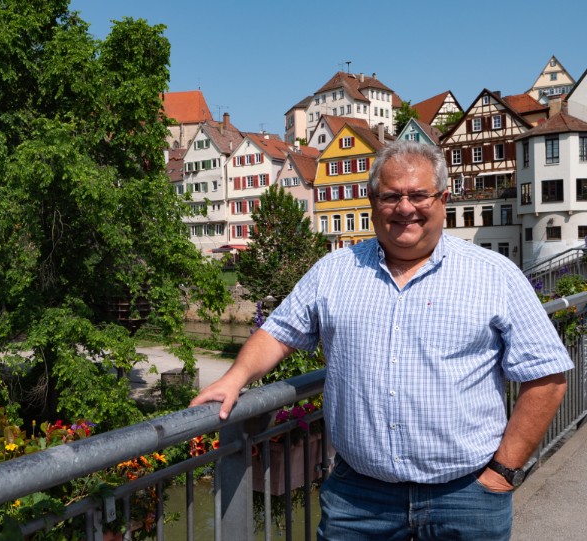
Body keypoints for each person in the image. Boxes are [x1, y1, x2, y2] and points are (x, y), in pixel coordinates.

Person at [190, 141, 572, 540]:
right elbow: (278, 332)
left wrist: (503, 472)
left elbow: (547, 377)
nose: (405, 208)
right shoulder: (334, 271)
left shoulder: (494, 274)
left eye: (419, 195)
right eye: (391, 196)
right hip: (359, 499)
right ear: (373, 202)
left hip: (466, 495)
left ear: (443, 199)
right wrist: (235, 378)